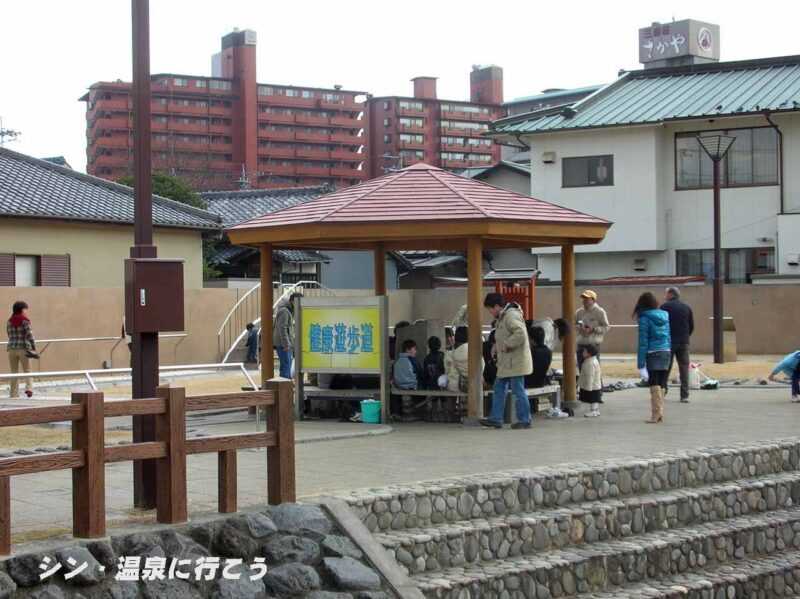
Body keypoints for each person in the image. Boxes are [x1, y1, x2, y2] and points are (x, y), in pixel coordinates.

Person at [481, 293, 534, 430]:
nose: (490, 312)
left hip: (515, 361)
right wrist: (496, 349)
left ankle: (524, 419)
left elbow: (521, 333)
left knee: (517, 390)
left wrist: (506, 345)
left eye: (490, 308)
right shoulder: (503, 316)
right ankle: (496, 418)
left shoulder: (511, 315)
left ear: (497, 306)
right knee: (499, 388)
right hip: (507, 362)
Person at [633, 292, 671, 424]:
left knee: (654, 384)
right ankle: (660, 412)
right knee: (661, 383)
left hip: (652, 352)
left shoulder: (645, 318)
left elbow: (643, 342)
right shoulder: (665, 315)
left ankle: (656, 414)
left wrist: (641, 363)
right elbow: (668, 336)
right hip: (665, 351)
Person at [659, 287, 694, 403]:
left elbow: (660, 324)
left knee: (666, 367)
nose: (665, 296)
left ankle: (663, 391)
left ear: (670, 294)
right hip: (684, 341)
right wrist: (686, 336)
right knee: (684, 368)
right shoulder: (687, 307)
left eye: (666, 294)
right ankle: (685, 395)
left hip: (668, 341)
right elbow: (691, 325)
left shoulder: (664, 307)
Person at [7, 301, 35, 398]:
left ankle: (13, 394)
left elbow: (9, 334)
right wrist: (33, 346)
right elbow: (29, 335)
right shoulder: (25, 320)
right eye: (25, 309)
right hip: (24, 348)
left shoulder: (9, 321)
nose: (26, 311)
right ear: (22, 310)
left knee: (13, 372)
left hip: (12, 349)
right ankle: (29, 388)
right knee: (28, 370)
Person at [575, 290, 610, 370]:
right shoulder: (579, 312)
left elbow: (606, 327)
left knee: (594, 370)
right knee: (582, 370)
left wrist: (593, 329)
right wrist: (580, 328)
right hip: (580, 345)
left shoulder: (600, 311)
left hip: (593, 346)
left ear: (593, 300)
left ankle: (597, 383)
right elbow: (574, 325)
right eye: (583, 298)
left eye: (587, 298)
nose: (584, 300)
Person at [445, 327, 483, 393]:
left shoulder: (449, 352)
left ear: (456, 336)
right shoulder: (475, 350)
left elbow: (447, 370)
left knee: (450, 395)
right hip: (473, 384)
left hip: (455, 386)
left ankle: (449, 403)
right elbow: (482, 367)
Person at [273, 292, 301, 379]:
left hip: (284, 344)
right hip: (283, 344)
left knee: (285, 365)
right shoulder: (285, 310)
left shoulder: (288, 310)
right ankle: (285, 386)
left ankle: (284, 385)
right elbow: (282, 328)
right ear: (292, 300)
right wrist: (286, 344)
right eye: (298, 302)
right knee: (286, 366)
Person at [578, 344, 602, 417]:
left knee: (593, 399)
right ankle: (596, 410)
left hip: (592, 385)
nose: (582, 353)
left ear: (589, 353)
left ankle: (593, 410)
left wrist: (588, 387)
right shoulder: (591, 360)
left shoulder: (590, 363)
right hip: (594, 385)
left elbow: (590, 376)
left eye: (584, 351)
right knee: (594, 399)